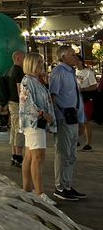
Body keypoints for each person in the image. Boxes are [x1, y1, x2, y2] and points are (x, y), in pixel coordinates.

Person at [18, 53, 56, 205]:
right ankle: (39, 193)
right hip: (34, 122)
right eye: (39, 63)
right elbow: (29, 104)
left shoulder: (34, 80)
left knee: (29, 156)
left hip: (34, 123)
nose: (42, 65)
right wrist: (43, 114)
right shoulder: (28, 81)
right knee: (38, 157)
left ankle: (27, 189)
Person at [49, 45, 86, 202]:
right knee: (63, 154)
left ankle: (67, 185)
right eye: (72, 54)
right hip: (65, 118)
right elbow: (53, 95)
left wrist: (80, 118)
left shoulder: (70, 72)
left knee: (72, 155)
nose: (75, 57)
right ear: (63, 57)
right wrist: (62, 113)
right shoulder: (59, 72)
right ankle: (60, 187)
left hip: (72, 118)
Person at [5, 51, 26, 167]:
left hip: (11, 103)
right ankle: (18, 156)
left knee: (13, 129)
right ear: (18, 58)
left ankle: (14, 155)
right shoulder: (19, 71)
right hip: (18, 104)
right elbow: (20, 90)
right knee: (19, 129)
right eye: (24, 58)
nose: (25, 60)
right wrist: (24, 103)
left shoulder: (10, 70)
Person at [75, 55, 97, 151]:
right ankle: (76, 140)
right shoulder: (72, 72)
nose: (74, 61)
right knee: (76, 120)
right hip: (74, 99)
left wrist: (83, 89)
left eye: (76, 59)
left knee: (86, 121)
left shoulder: (88, 72)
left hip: (85, 99)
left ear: (81, 61)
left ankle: (88, 143)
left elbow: (94, 86)